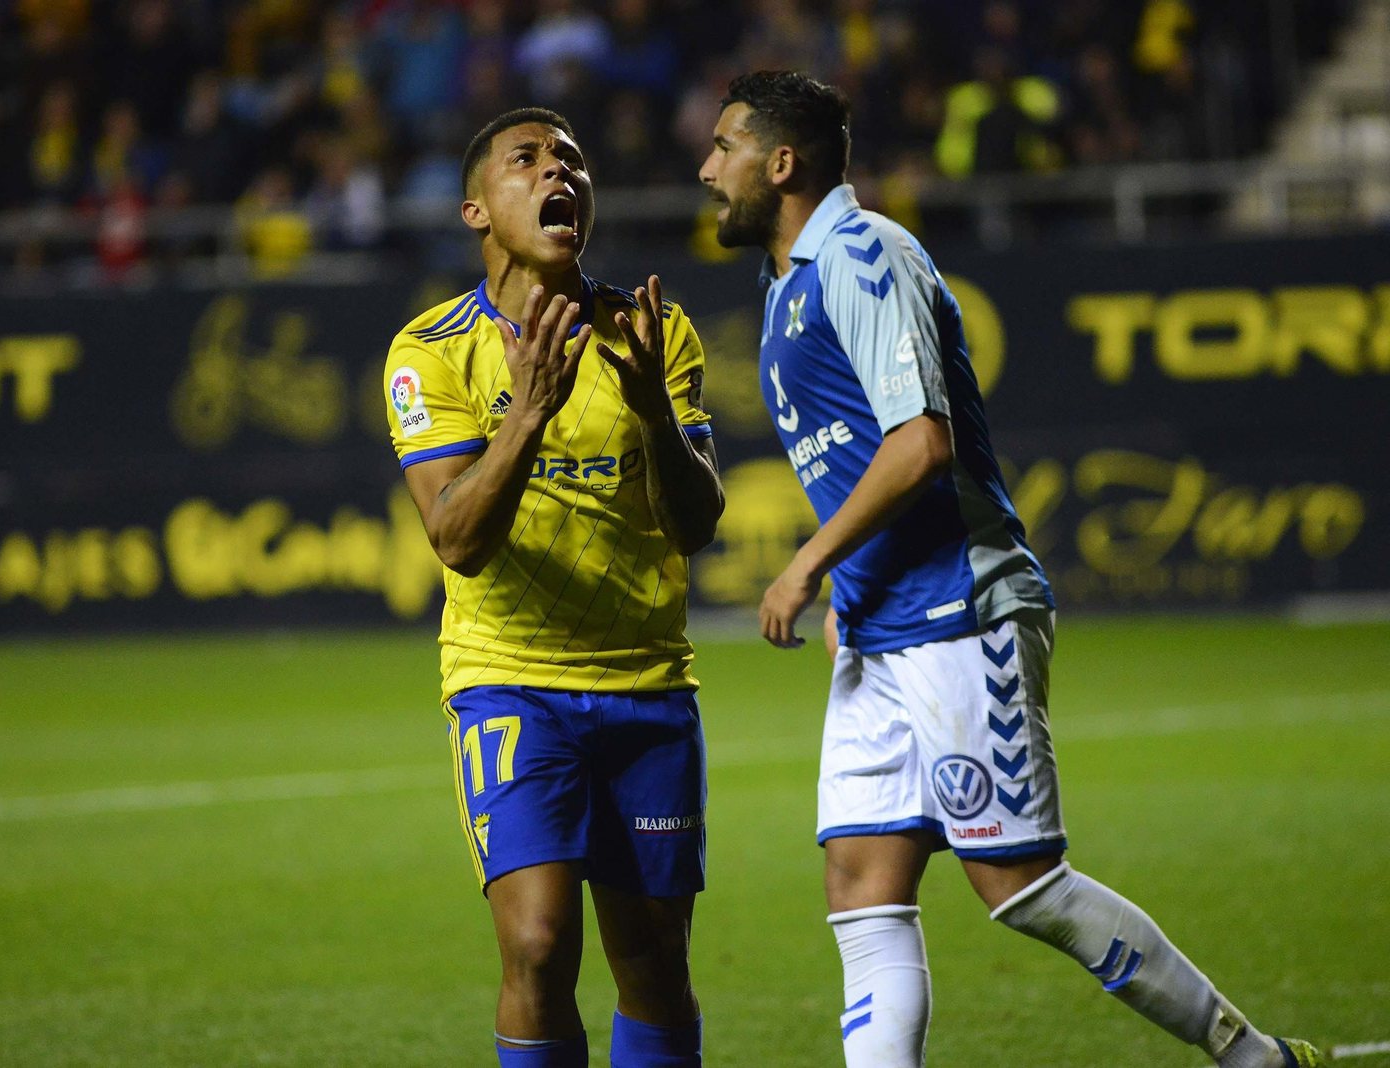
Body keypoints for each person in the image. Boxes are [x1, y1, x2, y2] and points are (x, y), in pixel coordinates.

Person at [697, 69, 1322, 1068]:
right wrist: (847, 586)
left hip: (958, 611)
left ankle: (1251, 1057)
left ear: (780, 163)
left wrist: (806, 563)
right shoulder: (782, 282)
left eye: (723, 147)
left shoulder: (861, 255)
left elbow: (918, 445)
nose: (703, 168)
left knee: (1020, 885)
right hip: (877, 629)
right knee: (861, 889)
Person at [384, 107, 725, 1068]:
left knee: (654, 957)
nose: (555, 172)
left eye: (571, 159)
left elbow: (695, 525)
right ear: (477, 210)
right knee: (538, 944)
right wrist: (526, 416)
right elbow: (456, 537)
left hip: (647, 683)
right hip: (510, 680)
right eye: (526, 160)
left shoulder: (656, 334)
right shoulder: (432, 350)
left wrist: (654, 410)